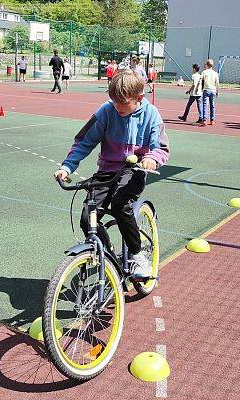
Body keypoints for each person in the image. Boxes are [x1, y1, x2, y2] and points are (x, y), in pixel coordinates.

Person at [54, 70, 170, 279]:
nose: (117, 108)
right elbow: (84, 141)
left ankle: (137, 254)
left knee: (119, 204)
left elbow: (161, 147)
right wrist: (67, 167)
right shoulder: (106, 111)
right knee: (86, 217)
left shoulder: (151, 114)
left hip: (134, 170)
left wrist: (152, 158)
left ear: (139, 98)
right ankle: (107, 256)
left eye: (123, 104)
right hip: (107, 171)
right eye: (114, 102)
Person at [201, 59, 220, 127]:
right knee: (212, 106)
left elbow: (201, 80)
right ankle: (212, 120)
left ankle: (204, 120)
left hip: (206, 90)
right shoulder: (215, 73)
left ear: (206, 64)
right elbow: (217, 83)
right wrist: (217, 91)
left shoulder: (204, 72)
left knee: (205, 106)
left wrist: (201, 89)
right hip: (213, 90)